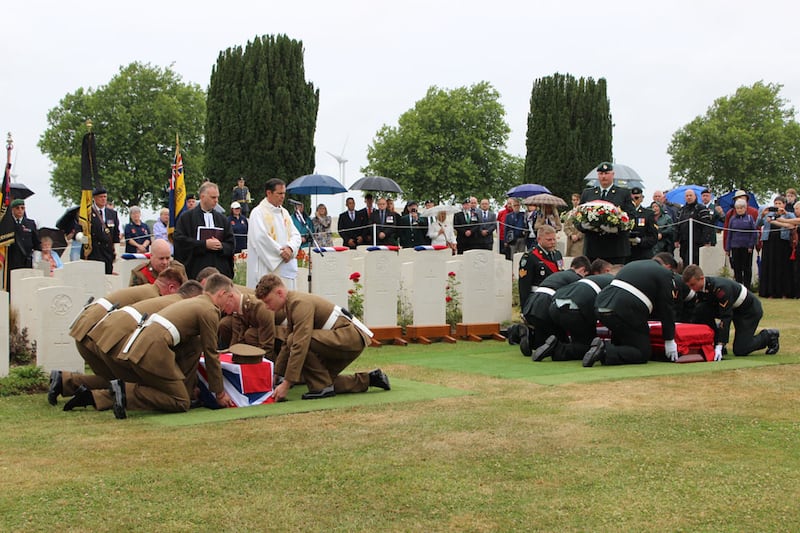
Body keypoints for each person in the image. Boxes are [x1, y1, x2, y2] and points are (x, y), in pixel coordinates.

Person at [94, 273, 238, 418]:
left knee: (194, 345)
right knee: (180, 401)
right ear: (222, 293)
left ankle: (119, 391)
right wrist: (219, 393)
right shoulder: (209, 310)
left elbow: (193, 345)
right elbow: (210, 353)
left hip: (143, 343)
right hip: (153, 349)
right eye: (229, 296)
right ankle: (125, 392)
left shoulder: (197, 302)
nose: (230, 301)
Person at [52, 280, 204, 408]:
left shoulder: (158, 296)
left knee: (114, 379)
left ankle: (66, 381)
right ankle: (99, 396)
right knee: (138, 384)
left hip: (95, 331)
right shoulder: (172, 304)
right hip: (113, 337)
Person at [255, 273, 390, 401]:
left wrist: (286, 384)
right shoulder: (291, 304)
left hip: (349, 336)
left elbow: (299, 343)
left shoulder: (299, 303)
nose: (267, 307)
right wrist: (276, 375)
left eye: (268, 301)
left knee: (295, 340)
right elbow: (286, 344)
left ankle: (323, 388)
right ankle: (371, 379)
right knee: (322, 381)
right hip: (340, 338)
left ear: (279, 293)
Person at [583, 257, 679, 367]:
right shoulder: (664, 273)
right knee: (642, 352)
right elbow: (666, 307)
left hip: (602, 303)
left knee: (623, 338)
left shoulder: (631, 265)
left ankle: (607, 349)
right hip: (626, 307)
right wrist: (669, 339)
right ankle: (605, 350)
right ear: (667, 266)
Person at [683, 264, 779, 358]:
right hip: (733, 309)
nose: (692, 289)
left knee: (741, 349)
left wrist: (720, 344)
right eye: (689, 286)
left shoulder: (721, 289)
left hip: (748, 311)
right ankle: (714, 338)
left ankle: (769, 336)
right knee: (701, 309)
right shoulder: (700, 290)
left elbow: (726, 316)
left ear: (702, 278)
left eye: (693, 285)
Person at [533, 268, 618, 362]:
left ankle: (554, 345)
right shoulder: (614, 282)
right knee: (589, 346)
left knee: (578, 341)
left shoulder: (592, 278)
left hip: (555, 305)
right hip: (575, 308)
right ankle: (557, 349)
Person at [518, 256, 591, 357]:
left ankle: (528, 335)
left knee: (543, 338)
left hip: (532, 302)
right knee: (560, 341)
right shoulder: (576, 279)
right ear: (582, 269)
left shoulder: (559, 274)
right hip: (545, 304)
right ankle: (531, 337)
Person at [246, 178, 302, 289]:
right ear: (269, 193)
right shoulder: (258, 212)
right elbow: (260, 238)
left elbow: (296, 235)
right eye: (279, 193)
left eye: (284, 193)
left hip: (285, 266)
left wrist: (290, 248)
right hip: (267, 265)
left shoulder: (284, 213)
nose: (283, 196)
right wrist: (280, 252)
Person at [173, 182, 236, 280]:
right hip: (195, 269)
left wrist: (221, 246)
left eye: (217, 197)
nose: (216, 201)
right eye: (213, 197)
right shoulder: (187, 218)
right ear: (202, 197)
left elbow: (231, 243)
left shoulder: (222, 219)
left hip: (219, 270)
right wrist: (203, 244)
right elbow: (180, 241)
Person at [579, 162, 635, 263]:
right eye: (601, 174)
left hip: (615, 248)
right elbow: (578, 216)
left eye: (606, 173)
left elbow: (631, 217)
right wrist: (583, 226)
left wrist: (617, 228)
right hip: (593, 248)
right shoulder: (588, 193)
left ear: (613, 174)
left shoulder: (623, 193)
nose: (603, 176)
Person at [757, 195, 795, 298]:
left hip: (782, 243)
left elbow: (794, 221)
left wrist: (784, 213)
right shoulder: (769, 214)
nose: (777, 206)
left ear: (784, 204)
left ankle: (783, 292)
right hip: (769, 242)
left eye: (780, 203)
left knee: (782, 267)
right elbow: (758, 224)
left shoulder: (788, 215)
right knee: (769, 266)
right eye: (776, 203)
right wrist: (762, 214)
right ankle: (769, 292)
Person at [517, 225, 563, 311]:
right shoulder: (530, 257)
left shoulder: (557, 254)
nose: (553, 242)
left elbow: (560, 273)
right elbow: (524, 286)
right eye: (549, 240)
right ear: (539, 239)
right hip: (538, 300)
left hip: (554, 299)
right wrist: (525, 308)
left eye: (554, 239)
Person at [82, 187, 120, 274]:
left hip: (108, 251)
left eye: (105, 197)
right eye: (101, 197)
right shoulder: (87, 213)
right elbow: (81, 231)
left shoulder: (112, 213)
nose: (103, 199)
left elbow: (115, 233)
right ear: (94, 198)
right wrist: (85, 243)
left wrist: (116, 250)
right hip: (94, 251)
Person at [724, 199, 758, 290]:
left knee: (747, 268)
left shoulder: (750, 218)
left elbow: (754, 233)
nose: (739, 210)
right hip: (735, 246)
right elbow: (729, 234)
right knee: (736, 268)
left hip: (746, 247)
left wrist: (751, 245)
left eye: (741, 208)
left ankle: (747, 288)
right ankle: (738, 288)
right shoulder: (732, 219)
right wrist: (727, 248)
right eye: (737, 208)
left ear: (745, 208)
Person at [675, 188, 712, 268]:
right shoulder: (681, 210)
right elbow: (677, 225)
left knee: (694, 263)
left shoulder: (701, 208)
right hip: (684, 242)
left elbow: (706, 225)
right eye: (687, 196)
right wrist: (676, 239)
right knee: (685, 262)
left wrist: (706, 240)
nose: (689, 197)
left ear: (695, 196)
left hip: (697, 242)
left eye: (690, 195)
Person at [6, 198, 41, 276]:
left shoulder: (30, 223)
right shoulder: (7, 223)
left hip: (26, 260)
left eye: (22, 208)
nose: (20, 210)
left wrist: (36, 260)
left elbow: (37, 243)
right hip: (11, 260)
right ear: (12, 209)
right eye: (17, 208)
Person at [627, 187, 658, 262]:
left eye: (637, 198)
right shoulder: (623, 213)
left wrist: (640, 241)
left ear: (641, 199)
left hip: (642, 254)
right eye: (631, 198)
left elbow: (653, 237)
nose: (634, 200)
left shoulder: (648, 214)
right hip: (627, 253)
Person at [562, 193, 585, 258]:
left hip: (580, 241)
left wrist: (578, 236)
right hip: (570, 241)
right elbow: (565, 227)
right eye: (573, 200)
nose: (575, 202)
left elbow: (585, 226)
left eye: (577, 200)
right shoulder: (568, 213)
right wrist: (571, 234)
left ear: (580, 200)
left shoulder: (583, 212)